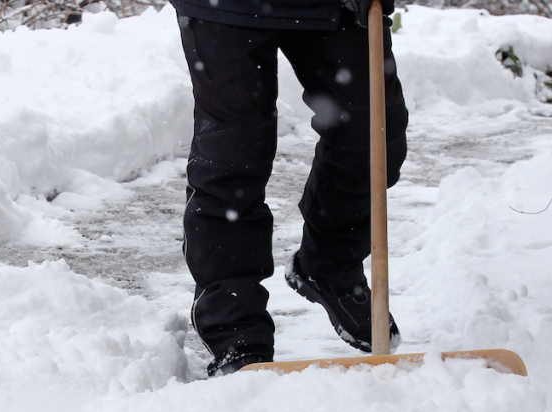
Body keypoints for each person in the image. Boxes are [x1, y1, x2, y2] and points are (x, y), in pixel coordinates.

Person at [168, 0, 410, 376]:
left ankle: (330, 266)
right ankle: (237, 329)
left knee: (372, 136)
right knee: (233, 155)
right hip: (224, 9)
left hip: (334, 5)